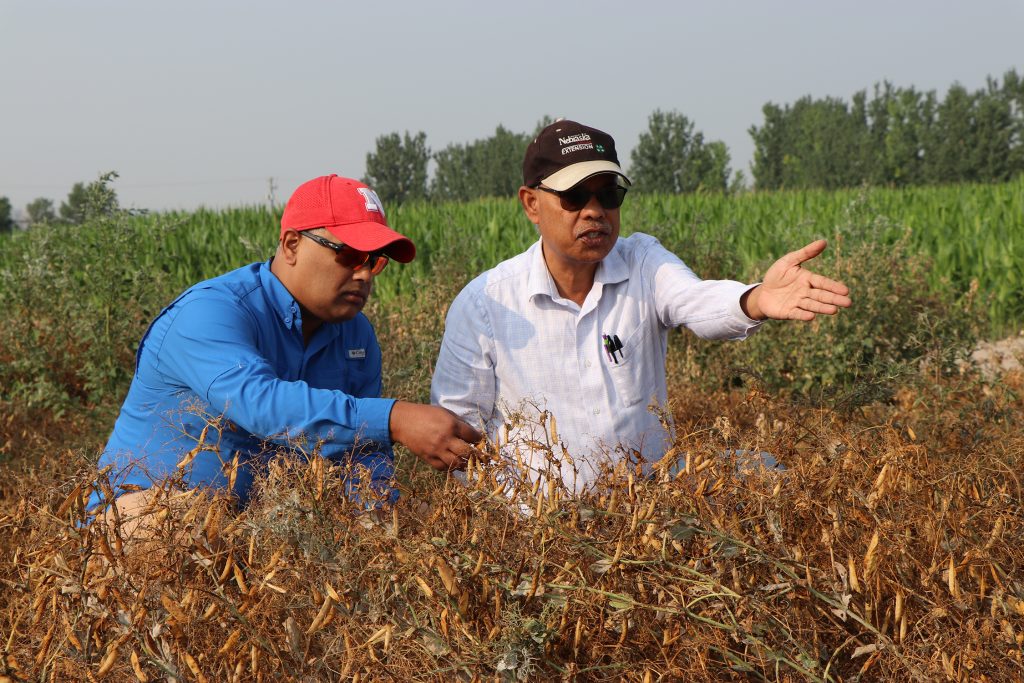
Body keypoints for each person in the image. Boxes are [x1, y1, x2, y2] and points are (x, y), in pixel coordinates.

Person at [430, 120, 851, 493]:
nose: (595, 212)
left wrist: (754, 299)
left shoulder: (643, 263)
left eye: (608, 194)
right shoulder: (486, 304)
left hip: (648, 512)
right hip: (539, 531)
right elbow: (456, 432)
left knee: (767, 471)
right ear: (531, 203)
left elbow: (695, 299)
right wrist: (522, 522)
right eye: (574, 196)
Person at [93, 174, 481, 525]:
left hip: (263, 526)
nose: (363, 274)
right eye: (349, 255)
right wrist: (395, 418)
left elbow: (363, 452)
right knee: (179, 525)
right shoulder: (210, 311)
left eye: (374, 262)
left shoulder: (355, 334)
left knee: (430, 527)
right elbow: (262, 404)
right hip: (145, 514)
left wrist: (375, 520)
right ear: (292, 245)